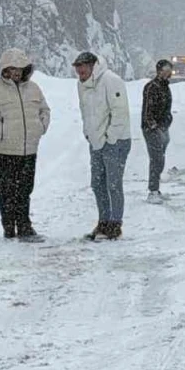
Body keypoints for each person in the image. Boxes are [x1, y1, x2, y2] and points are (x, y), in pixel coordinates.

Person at [0, 48, 51, 242]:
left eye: (20, 68)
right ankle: (9, 227)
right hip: (4, 150)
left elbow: (44, 110)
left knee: (25, 189)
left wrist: (41, 127)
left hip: (29, 149)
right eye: (13, 68)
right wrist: (3, 132)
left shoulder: (34, 88)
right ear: (5, 68)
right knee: (6, 191)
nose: (17, 72)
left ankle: (25, 226)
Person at [73, 51, 131, 240]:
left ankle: (115, 224)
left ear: (93, 66)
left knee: (113, 183)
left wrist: (110, 137)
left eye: (82, 67)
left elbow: (120, 111)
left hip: (116, 140)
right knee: (97, 183)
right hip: (96, 141)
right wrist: (88, 133)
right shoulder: (81, 85)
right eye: (77, 68)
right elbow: (85, 111)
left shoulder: (111, 80)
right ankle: (103, 222)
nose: (79, 72)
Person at [141, 59, 173, 204]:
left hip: (163, 127)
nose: (168, 73)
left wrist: (167, 121)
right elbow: (148, 110)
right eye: (166, 70)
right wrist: (153, 126)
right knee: (156, 159)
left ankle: (156, 188)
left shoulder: (166, 87)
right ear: (159, 71)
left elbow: (167, 108)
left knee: (160, 158)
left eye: (170, 70)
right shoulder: (151, 87)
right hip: (151, 129)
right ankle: (152, 191)